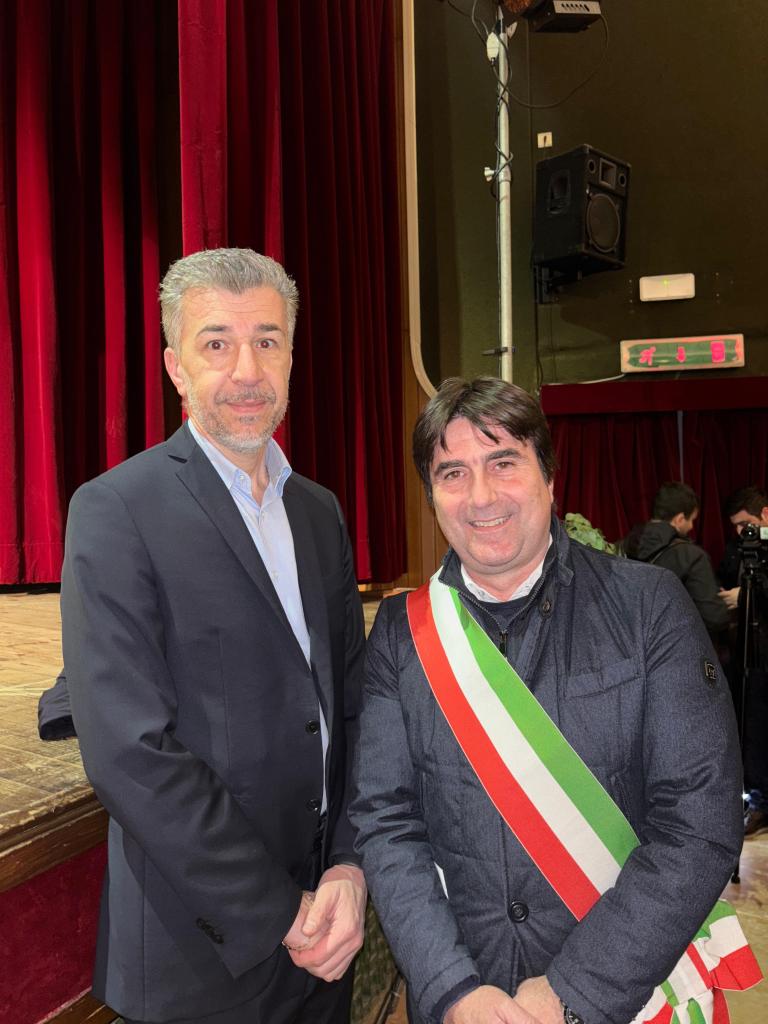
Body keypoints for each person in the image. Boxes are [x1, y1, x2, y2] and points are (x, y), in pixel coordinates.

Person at [350, 378, 755, 1024]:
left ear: (549, 477)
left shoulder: (648, 607)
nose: (481, 496)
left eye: (503, 463)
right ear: (432, 497)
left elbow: (698, 823)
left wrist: (571, 992)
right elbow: (387, 823)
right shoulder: (401, 638)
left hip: (628, 994)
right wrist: (452, 990)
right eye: (453, 473)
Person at [60, 248, 366, 1024]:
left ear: (291, 356)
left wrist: (348, 867)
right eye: (217, 343)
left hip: (326, 939)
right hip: (198, 957)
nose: (247, 371)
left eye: (267, 340)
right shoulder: (116, 510)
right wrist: (279, 911)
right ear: (175, 366)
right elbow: (129, 751)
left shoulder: (320, 513)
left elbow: (353, 708)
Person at [621, 481, 729, 638]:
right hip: (675, 646)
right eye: (691, 520)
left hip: (630, 644)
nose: (691, 526)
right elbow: (714, 619)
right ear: (679, 519)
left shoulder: (620, 547)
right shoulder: (692, 556)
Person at [720, 486, 768, 838]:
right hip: (749, 654)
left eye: (746, 524)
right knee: (751, 726)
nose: (741, 532)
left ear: (765, 514)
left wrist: (749, 595)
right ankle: (758, 800)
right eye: (736, 526)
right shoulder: (743, 550)